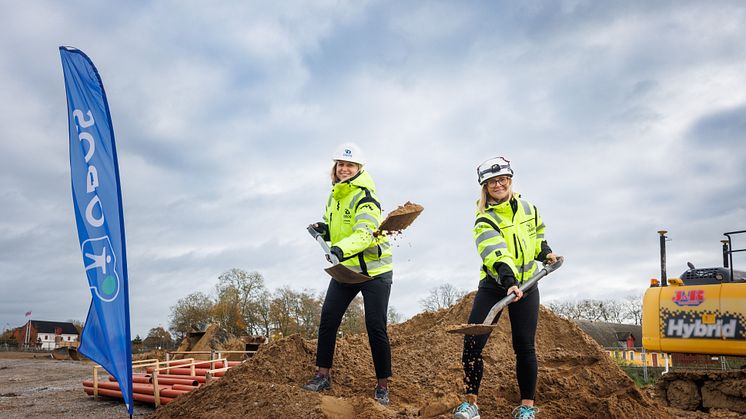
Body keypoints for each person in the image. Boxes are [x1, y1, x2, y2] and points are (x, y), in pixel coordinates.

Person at [454, 156, 559, 419]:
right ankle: (471, 404)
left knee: (524, 346)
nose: (498, 185)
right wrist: (509, 283)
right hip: (495, 286)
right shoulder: (483, 219)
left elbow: (537, 237)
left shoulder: (528, 208)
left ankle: (526, 408)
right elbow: (496, 255)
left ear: (510, 180)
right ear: (485, 188)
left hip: (528, 285)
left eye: (502, 180)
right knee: (472, 344)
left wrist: (545, 253)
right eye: (492, 182)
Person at [303, 142, 394, 406]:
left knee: (375, 326)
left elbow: (364, 234)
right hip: (346, 269)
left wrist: (340, 249)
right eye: (341, 164)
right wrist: (325, 229)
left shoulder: (366, 197)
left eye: (350, 165)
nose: (344, 169)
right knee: (328, 319)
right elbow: (337, 226)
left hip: (375, 271)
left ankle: (382, 385)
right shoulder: (335, 195)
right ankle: (322, 374)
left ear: (359, 169)